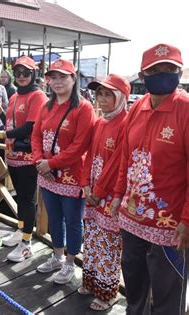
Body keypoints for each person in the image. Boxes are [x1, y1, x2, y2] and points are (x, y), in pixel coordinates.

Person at [110, 44, 189, 315]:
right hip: (132, 218)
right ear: (143, 77)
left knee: (168, 296)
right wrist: (118, 194)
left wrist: (187, 220)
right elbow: (125, 158)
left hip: (169, 227)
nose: (163, 74)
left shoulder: (186, 110)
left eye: (170, 69)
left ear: (179, 73)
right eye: (155, 70)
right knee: (134, 284)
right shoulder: (137, 107)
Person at [31, 58, 95, 284]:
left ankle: (70, 262)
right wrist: (40, 161)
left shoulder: (84, 108)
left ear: (73, 78)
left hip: (72, 176)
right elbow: (36, 135)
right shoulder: (46, 106)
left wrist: (52, 164)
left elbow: (80, 146)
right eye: (53, 77)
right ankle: (57, 256)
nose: (57, 82)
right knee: (54, 218)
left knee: (73, 221)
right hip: (46, 174)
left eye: (63, 77)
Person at [0, 56, 48, 262]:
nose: (21, 77)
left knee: (28, 200)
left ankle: (27, 243)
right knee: (20, 197)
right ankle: (21, 231)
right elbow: (11, 124)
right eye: (18, 73)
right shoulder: (13, 97)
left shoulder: (37, 96)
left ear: (33, 74)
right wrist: (1, 112)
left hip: (28, 158)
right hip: (12, 156)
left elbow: (30, 127)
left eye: (26, 73)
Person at [80, 74, 130, 311]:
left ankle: (108, 293)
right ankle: (91, 283)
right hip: (93, 192)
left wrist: (98, 191)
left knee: (108, 244)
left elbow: (117, 165)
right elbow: (89, 155)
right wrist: (85, 184)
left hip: (110, 195)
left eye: (108, 94)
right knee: (91, 239)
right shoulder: (99, 122)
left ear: (122, 97)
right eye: (99, 94)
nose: (102, 99)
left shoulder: (126, 124)